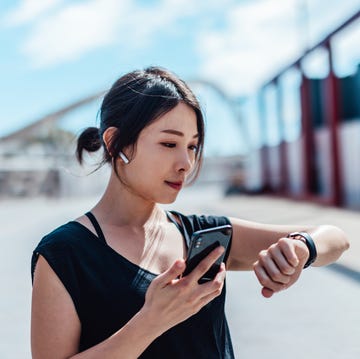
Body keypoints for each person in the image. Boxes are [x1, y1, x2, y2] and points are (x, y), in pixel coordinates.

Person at [31, 66, 349, 359]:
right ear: (115, 144)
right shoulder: (64, 255)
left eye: (193, 146)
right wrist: (150, 323)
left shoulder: (203, 236)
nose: (186, 162)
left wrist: (301, 248)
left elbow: (335, 239)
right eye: (170, 144)